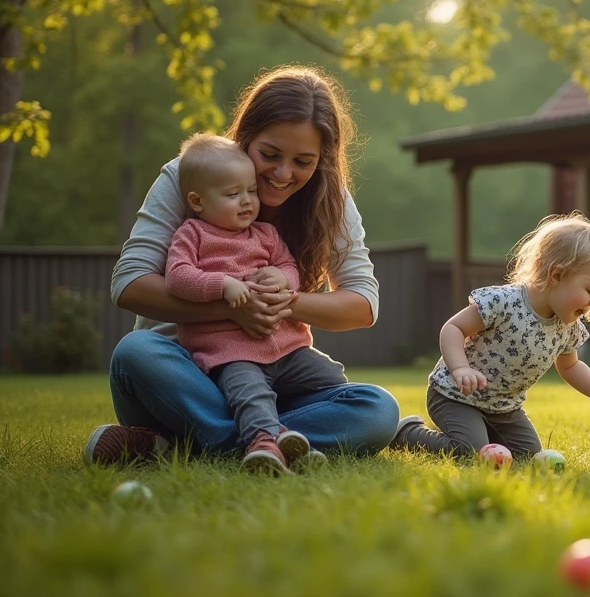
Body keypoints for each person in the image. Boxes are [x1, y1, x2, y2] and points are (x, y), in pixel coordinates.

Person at [85, 65, 403, 467]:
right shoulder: (191, 175)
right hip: (183, 383)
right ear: (245, 136)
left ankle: (193, 445)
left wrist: (284, 302)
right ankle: (270, 439)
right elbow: (129, 283)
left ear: (321, 160)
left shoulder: (329, 199)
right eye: (269, 155)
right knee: (135, 351)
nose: (283, 173)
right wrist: (232, 307)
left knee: (378, 409)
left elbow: (362, 305)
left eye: (303, 161)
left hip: (275, 379)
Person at [163, 133, 350, 475]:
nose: (247, 201)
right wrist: (223, 285)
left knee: (334, 378)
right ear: (198, 201)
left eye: (251, 191)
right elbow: (177, 276)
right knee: (250, 392)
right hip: (230, 354)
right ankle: (264, 443)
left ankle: (286, 435)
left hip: (287, 350)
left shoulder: (265, 233)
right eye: (233, 194)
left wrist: (282, 278)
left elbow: (288, 267)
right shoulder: (192, 234)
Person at [392, 213, 590, 459]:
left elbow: (571, 367)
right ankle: (407, 433)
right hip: (456, 396)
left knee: (528, 456)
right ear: (556, 275)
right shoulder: (504, 302)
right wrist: (460, 369)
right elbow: (453, 328)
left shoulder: (567, 326)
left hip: (504, 409)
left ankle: (476, 432)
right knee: (469, 452)